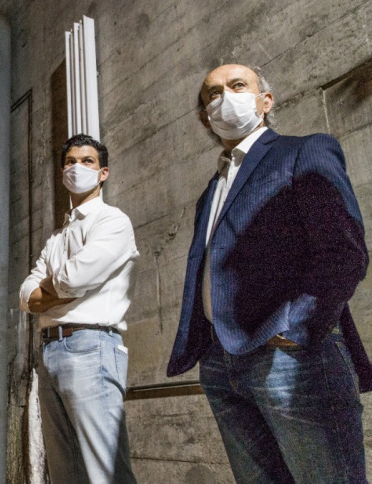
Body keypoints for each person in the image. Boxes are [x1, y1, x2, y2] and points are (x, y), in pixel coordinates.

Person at [167, 64, 371, 482]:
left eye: (237, 85)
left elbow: (343, 252)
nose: (224, 96)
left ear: (266, 101)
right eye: (212, 94)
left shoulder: (305, 150)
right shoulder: (212, 188)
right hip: (221, 362)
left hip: (290, 356)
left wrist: (295, 327)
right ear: (206, 117)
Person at [19, 133, 139, 483]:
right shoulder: (56, 238)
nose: (77, 168)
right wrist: (61, 288)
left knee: (105, 472)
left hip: (92, 346)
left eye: (87, 161)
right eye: (70, 162)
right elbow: (26, 296)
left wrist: (55, 288)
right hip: (50, 350)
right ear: (61, 174)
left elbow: (72, 278)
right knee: (64, 473)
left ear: (103, 173)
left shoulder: (112, 222)